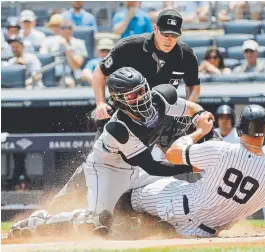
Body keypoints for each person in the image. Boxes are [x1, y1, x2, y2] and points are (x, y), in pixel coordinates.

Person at [8, 67, 208, 239]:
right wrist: (191, 165)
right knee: (96, 222)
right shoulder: (118, 127)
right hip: (107, 170)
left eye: (141, 90)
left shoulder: (160, 97)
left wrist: (201, 115)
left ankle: (137, 222)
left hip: (135, 167)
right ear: (120, 101)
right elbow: (152, 166)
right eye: (132, 95)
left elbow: (190, 108)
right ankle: (38, 222)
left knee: (174, 187)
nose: (141, 98)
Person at [131, 104, 265, 237]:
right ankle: (153, 224)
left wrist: (198, 132)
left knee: (135, 193)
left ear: (239, 129)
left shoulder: (221, 150)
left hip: (176, 203)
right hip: (202, 232)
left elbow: (173, 154)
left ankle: (129, 218)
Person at [39, 20, 88, 87]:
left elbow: (76, 66)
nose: (66, 30)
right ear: (59, 29)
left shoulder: (79, 43)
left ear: (72, 30)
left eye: (69, 28)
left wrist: (66, 47)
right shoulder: (49, 41)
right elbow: (42, 58)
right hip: (51, 73)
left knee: (68, 82)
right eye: (63, 28)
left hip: (70, 74)